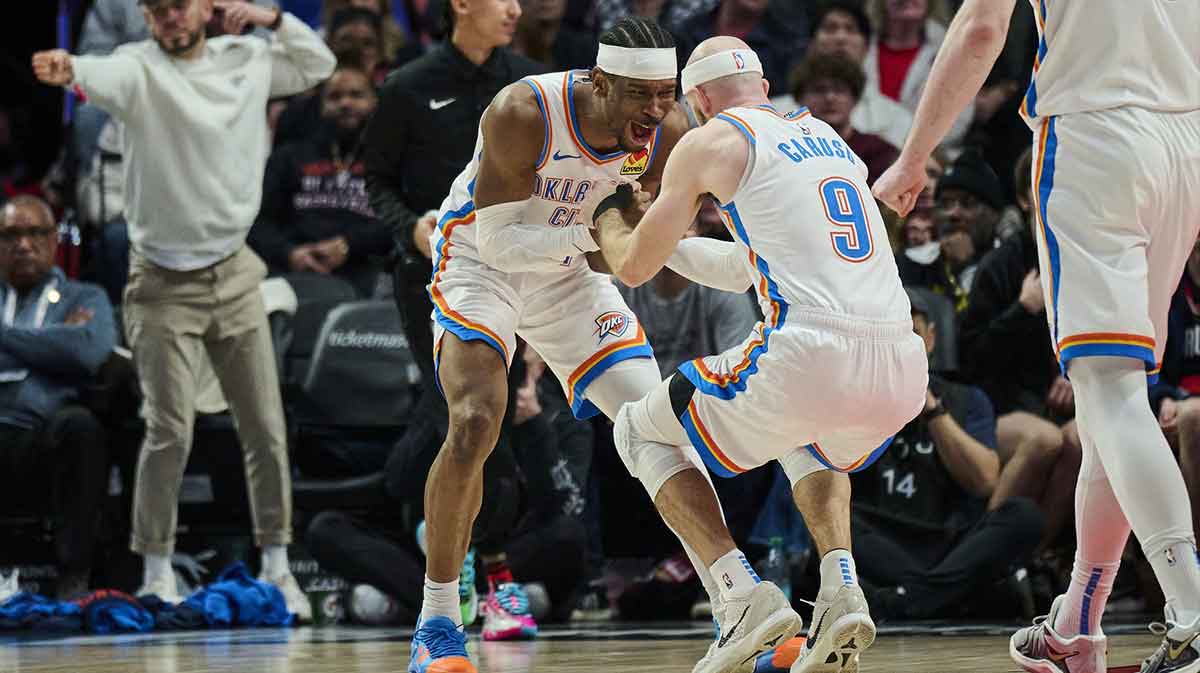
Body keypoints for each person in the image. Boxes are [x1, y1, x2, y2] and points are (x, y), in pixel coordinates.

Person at [407, 17, 802, 673]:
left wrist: (755, 262)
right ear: (597, 83)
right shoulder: (523, 110)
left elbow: (663, 246)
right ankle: (439, 622)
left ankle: (741, 604)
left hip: (571, 276)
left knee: (656, 425)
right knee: (476, 419)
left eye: (664, 94)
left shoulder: (670, 131)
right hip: (482, 264)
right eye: (638, 95)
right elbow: (504, 244)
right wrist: (600, 233)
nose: (655, 110)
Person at [872, 0, 1200, 670]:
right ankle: (1079, 618)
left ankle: (1193, 613)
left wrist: (913, 157)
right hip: (1186, 144)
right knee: (1117, 401)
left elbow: (982, 28)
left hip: (1096, 132)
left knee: (1109, 393)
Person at [594, 35, 927, 673]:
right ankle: (841, 587)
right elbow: (750, 266)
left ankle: (739, 596)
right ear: (766, 89)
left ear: (695, 100)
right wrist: (675, 245)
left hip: (810, 352)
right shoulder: (830, 140)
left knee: (638, 432)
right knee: (805, 436)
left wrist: (608, 223)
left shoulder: (709, 139)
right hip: (900, 365)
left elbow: (633, 268)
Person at [32, 0, 336, 620]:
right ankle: (157, 568)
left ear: (206, 8)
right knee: (168, 428)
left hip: (235, 271)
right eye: (155, 10)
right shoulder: (136, 67)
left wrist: (268, 18)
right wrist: (68, 67)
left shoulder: (246, 60)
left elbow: (318, 62)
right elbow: (95, 73)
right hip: (161, 281)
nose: (168, 19)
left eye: (177, 7)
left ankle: (278, 565)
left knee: (265, 428)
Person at [853, 290, 1042, 621]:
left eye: (910, 333)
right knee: (822, 516)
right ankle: (953, 594)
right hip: (883, 539)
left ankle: (910, 600)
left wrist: (933, 410)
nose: (902, 347)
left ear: (930, 338)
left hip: (948, 541)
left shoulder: (967, 399)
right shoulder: (858, 396)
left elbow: (985, 482)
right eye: (892, 335)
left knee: (1024, 516)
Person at [0, 196, 117, 599]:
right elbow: (66, 349)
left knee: (81, 427)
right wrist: (53, 343)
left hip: (41, 437)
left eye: (36, 233)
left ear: (54, 241)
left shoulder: (85, 298)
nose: (24, 244)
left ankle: (73, 578)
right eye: (11, 235)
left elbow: (87, 351)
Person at [249, 58, 390, 298]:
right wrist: (290, 253)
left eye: (357, 95)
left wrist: (349, 245)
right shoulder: (289, 157)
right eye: (334, 97)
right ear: (321, 107)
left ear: (374, 102)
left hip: (368, 269)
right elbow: (259, 223)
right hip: (296, 271)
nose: (345, 103)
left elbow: (401, 224)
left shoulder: (390, 160)